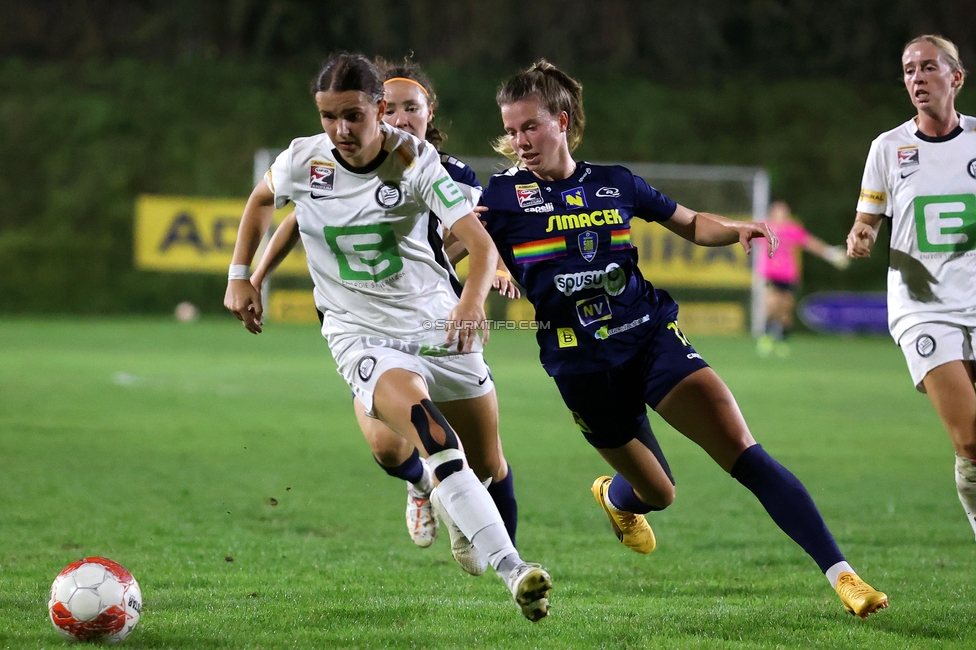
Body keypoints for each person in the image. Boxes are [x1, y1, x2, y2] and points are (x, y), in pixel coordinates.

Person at [479, 59, 887, 618]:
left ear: (563, 121)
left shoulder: (613, 183)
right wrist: (484, 269)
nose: (519, 140)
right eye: (512, 128)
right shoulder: (500, 197)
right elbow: (459, 246)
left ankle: (844, 576)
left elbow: (690, 222)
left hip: (649, 337)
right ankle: (615, 496)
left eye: (530, 126)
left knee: (743, 451)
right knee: (658, 493)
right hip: (582, 369)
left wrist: (735, 229)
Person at [224, 53, 552, 622]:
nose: (340, 131)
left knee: (489, 463)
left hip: (434, 322)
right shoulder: (306, 160)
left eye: (352, 116)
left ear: (379, 111)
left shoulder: (413, 162)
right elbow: (262, 202)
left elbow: (479, 243)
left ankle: (460, 515)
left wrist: (472, 302)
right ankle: (515, 570)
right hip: (361, 334)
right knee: (430, 434)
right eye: (328, 117)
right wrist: (242, 276)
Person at [847, 34, 976, 542]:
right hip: (923, 309)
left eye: (927, 68)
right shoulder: (888, 147)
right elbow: (868, 219)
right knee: (970, 438)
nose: (916, 78)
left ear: (955, 78)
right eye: (908, 70)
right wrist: (862, 234)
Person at [756, 200, 850, 358]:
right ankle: (766, 337)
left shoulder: (792, 229)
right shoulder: (764, 228)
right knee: (771, 305)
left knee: (786, 310)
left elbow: (810, 243)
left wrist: (830, 253)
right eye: (778, 211)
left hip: (787, 275)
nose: (781, 215)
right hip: (771, 274)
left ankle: (782, 341)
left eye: (784, 212)